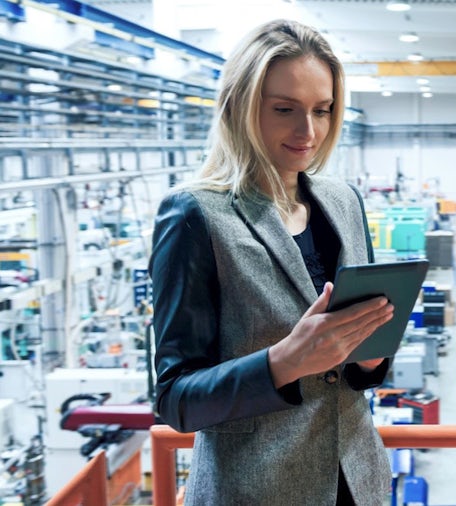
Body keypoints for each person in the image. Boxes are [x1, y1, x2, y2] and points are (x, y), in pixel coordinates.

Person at [150, 20, 394, 505]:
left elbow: (351, 374)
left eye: (322, 110)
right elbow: (176, 400)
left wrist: (370, 358)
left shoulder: (344, 201)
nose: (309, 131)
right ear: (239, 106)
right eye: (285, 109)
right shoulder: (196, 215)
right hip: (254, 490)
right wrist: (283, 362)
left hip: (356, 482)